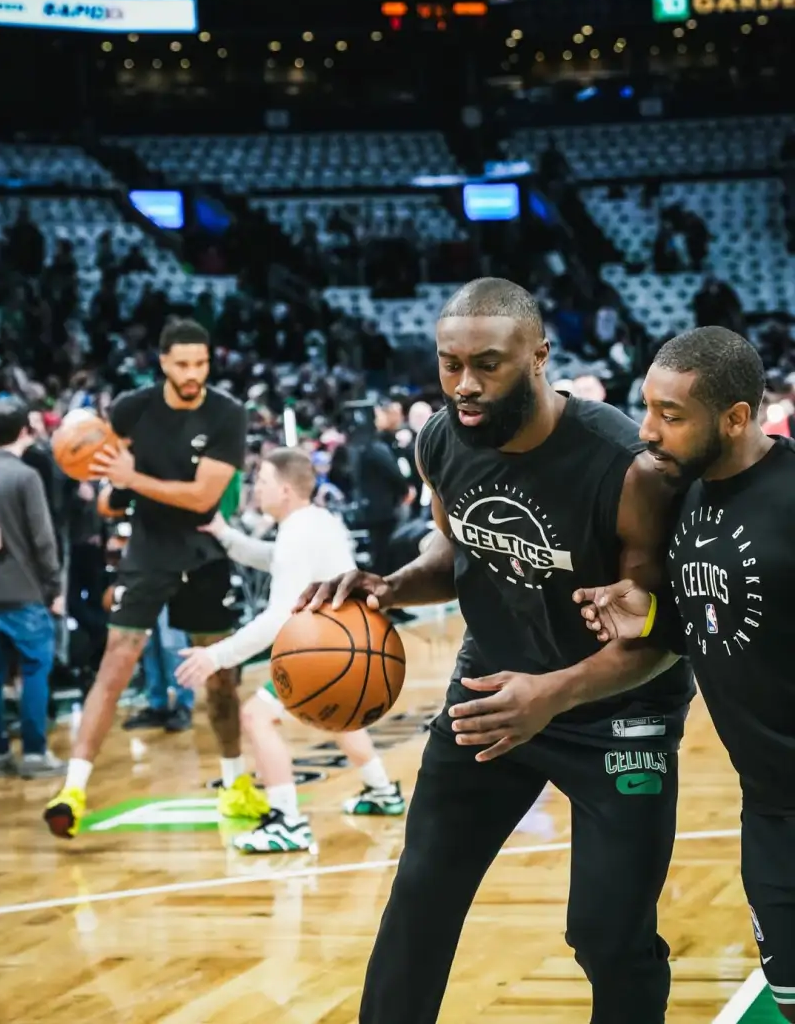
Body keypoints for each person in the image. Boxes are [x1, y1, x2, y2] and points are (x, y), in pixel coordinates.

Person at [296, 277, 694, 1024]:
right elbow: (457, 550)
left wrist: (552, 695)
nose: (465, 385)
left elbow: (662, 635)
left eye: (487, 364)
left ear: (538, 356)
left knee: (609, 936)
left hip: (618, 712)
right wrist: (391, 585)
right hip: (491, 693)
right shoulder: (442, 439)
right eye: (450, 364)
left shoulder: (626, 466)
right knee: (421, 895)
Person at [573, 326, 795, 1023]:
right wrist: (648, 617)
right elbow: (710, 622)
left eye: (671, 414)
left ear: (735, 417)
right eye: (647, 407)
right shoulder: (684, 499)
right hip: (769, 808)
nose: (647, 430)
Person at [43, 319, 268, 839]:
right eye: (182, 364)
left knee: (220, 677)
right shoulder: (131, 408)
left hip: (205, 553)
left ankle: (235, 781)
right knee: (115, 664)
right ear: (163, 363)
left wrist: (131, 480)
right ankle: (72, 790)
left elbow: (202, 496)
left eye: (201, 364)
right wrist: (112, 490)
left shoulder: (227, 413)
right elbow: (110, 476)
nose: (192, 374)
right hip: (147, 553)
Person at [175, 447, 404, 854]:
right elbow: (274, 559)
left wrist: (215, 656)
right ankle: (383, 791)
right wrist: (226, 535)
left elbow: (279, 618)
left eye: (262, 482)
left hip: (330, 647)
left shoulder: (298, 532)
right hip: (352, 642)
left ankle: (287, 822)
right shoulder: (316, 520)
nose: (256, 489)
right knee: (341, 715)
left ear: (284, 490)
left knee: (256, 715)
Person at [0, 398, 64, 777]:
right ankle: (35, 753)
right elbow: (43, 539)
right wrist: (54, 586)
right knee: (35, 670)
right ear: (26, 430)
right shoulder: (26, 477)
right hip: (24, 594)